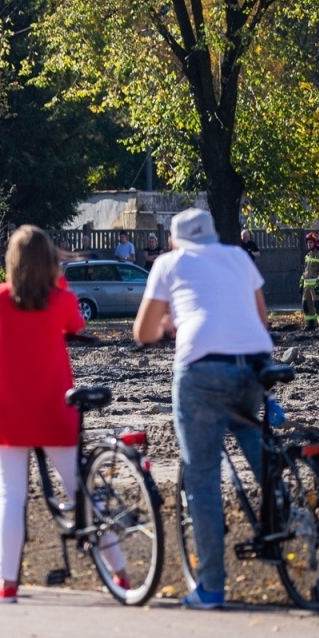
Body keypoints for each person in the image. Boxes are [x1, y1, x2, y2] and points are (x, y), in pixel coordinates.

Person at [0, 226, 122, 604]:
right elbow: (76, 326)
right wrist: (56, 278)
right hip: (54, 408)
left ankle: (8, 583)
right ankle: (122, 574)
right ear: (50, 263)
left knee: (12, 495)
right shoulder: (58, 299)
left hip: (9, 412)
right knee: (80, 489)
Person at [134, 208, 273, 610]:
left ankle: (211, 586)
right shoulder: (238, 257)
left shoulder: (168, 262)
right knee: (252, 432)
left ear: (175, 241)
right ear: (212, 236)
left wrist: (167, 328)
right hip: (254, 364)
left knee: (203, 479)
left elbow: (143, 331)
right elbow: (260, 320)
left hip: (202, 371)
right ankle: (284, 502)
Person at [302, 233, 319, 332]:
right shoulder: (307, 256)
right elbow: (305, 271)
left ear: (315, 243)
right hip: (306, 287)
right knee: (306, 306)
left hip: (316, 287)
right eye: (308, 242)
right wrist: (301, 282)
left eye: (311, 242)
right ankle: (309, 325)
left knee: (318, 306)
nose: (309, 244)